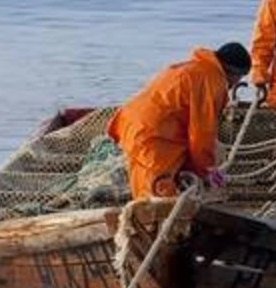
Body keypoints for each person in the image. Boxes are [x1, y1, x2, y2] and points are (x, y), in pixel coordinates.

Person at [107, 42, 252, 200]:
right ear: (233, 73)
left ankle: (142, 218)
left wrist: (194, 167)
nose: (236, 84)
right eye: (239, 77)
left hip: (131, 122)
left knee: (143, 185)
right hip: (153, 134)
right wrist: (207, 171)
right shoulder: (212, 81)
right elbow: (201, 134)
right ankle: (160, 222)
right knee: (159, 191)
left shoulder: (193, 67)